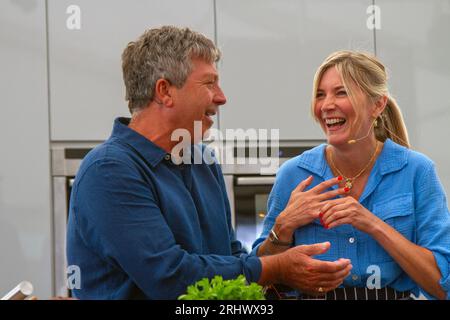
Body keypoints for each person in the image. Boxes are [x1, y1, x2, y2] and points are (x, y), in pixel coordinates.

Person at [66, 26, 352, 299]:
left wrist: (281, 233)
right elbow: (169, 277)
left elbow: (233, 261)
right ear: (164, 91)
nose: (222, 97)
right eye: (209, 83)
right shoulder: (108, 170)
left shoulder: (203, 162)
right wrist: (278, 268)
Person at [253, 50, 450, 300]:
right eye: (320, 95)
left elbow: (443, 285)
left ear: (377, 105)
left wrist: (372, 224)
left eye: (341, 92)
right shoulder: (294, 175)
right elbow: (256, 280)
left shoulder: (417, 172)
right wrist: (282, 228)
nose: (326, 105)